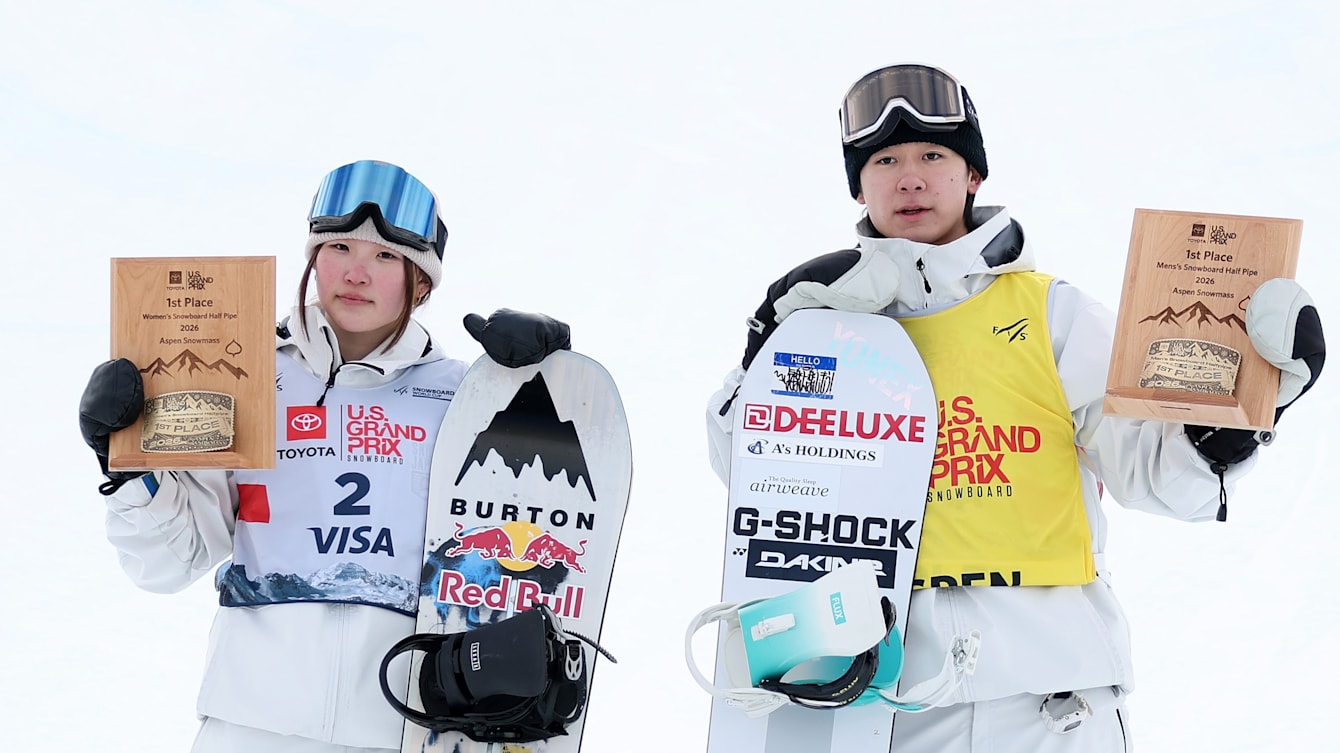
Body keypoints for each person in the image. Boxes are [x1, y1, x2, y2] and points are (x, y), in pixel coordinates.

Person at [705, 65, 1325, 751]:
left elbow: (1158, 475)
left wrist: (1228, 429)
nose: (910, 179)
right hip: (888, 707)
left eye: (933, 156)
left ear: (973, 175)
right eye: (884, 161)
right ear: (859, 185)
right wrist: (765, 350)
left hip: (1052, 703)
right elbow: (750, 471)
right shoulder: (826, 332)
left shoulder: (1053, 314)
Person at [78, 160, 572, 753]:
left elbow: (534, 524)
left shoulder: (462, 397)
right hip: (252, 727)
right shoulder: (243, 379)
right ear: (314, 259)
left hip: (407, 724)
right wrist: (129, 469)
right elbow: (168, 564)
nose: (356, 273)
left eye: (385, 256)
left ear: (421, 282)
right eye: (338, 247)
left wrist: (548, 379)